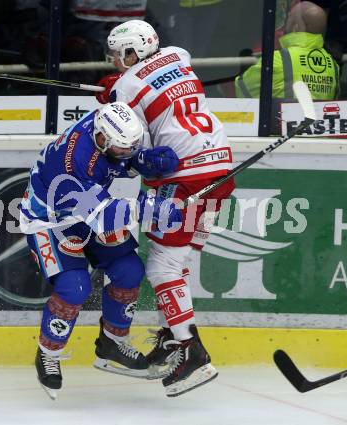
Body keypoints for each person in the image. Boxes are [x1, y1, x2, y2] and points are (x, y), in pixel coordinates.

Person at [97, 20, 235, 397]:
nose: (114, 59)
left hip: (187, 180)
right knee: (178, 264)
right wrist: (121, 97)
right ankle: (174, 343)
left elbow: (134, 147)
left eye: (119, 53)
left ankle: (193, 352)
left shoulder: (126, 86)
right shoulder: (178, 55)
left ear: (135, 50)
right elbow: (160, 81)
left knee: (162, 266)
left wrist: (117, 104)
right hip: (222, 170)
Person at [19, 101, 181, 400]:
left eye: (130, 146)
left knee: (129, 270)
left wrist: (141, 160)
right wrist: (151, 208)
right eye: (122, 149)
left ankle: (112, 344)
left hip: (92, 208)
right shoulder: (68, 166)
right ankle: (48, 352)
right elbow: (105, 215)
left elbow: (117, 163)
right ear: (102, 139)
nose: (126, 152)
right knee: (74, 287)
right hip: (51, 221)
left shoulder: (107, 127)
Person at [235, 1, 340, 100]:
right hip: (318, 118)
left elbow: (242, 86)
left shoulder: (276, 59)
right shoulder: (333, 65)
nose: (285, 24)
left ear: (296, 27)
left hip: (279, 118)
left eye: (289, 19)